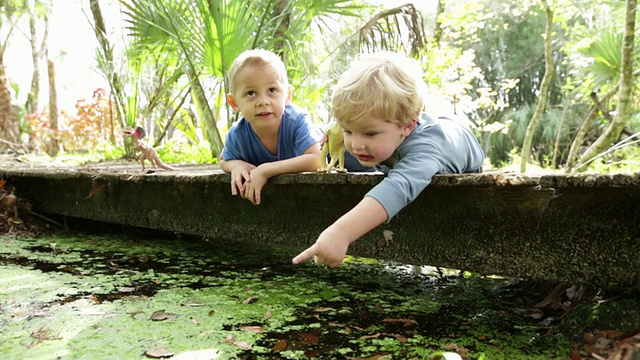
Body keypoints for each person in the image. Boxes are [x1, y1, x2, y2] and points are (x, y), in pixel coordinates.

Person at [292, 52, 485, 267]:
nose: (356, 144)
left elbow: (398, 187)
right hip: (396, 148)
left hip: (456, 151)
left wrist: (341, 232)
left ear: (407, 126)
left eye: (369, 134)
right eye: (348, 131)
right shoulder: (380, 138)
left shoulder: (426, 149)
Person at [220, 49, 322, 205]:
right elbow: (223, 160)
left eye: (272, 90)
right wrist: (236, 165)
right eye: (251, 93)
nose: (263, 101)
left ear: (287, 96)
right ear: (234, 103)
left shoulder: (297, 121)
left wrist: (265, 170)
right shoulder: (238, 134)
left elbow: (317, 160)